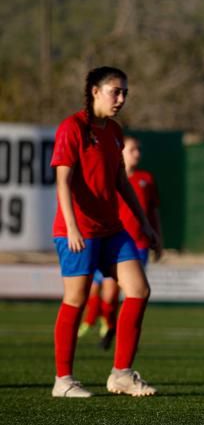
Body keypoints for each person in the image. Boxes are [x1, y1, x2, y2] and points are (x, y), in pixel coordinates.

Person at [50, 66, 160, 398]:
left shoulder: (114, 131)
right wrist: (71, 226)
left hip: (113, 229)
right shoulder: (73, 128)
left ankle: (121, 375)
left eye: (125, 92)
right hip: (78, 231)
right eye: (116, 91)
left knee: (139, 289)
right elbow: (63, 181)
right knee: (77, 299)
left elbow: (120, 182)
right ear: (95, 91)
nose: (122, 98)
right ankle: (63, 381)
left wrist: (143, 222)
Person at [79, 135, 163, 350]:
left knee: (135, 291)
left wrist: (157, 237)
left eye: (139, 149)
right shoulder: (110, 178)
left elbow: (153, 211)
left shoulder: (146, 179)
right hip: (113, 240)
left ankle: (114, 335)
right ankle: (104, 324)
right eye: (132, 149)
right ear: (121, 153)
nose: (137, 154)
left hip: (140, 243)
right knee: (106, 291)